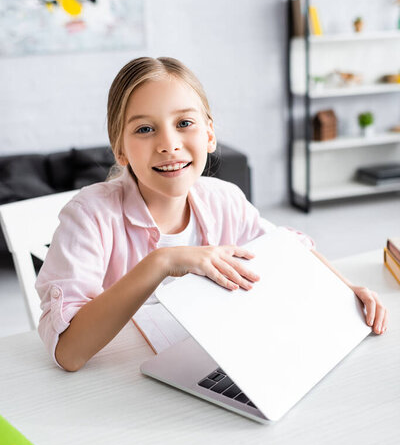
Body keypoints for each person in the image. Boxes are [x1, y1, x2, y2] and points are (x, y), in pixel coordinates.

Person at [35, 57, 388, 372]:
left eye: (184, 123)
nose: (169, 144)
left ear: (210, 134)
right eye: (145, 129)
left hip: (212, 359)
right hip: (123, 383)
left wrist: (345, 290)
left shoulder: (224, 199)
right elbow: (69, 353)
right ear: (121, 150)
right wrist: (160, 262)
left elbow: (285, 248)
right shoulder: (88, 216)